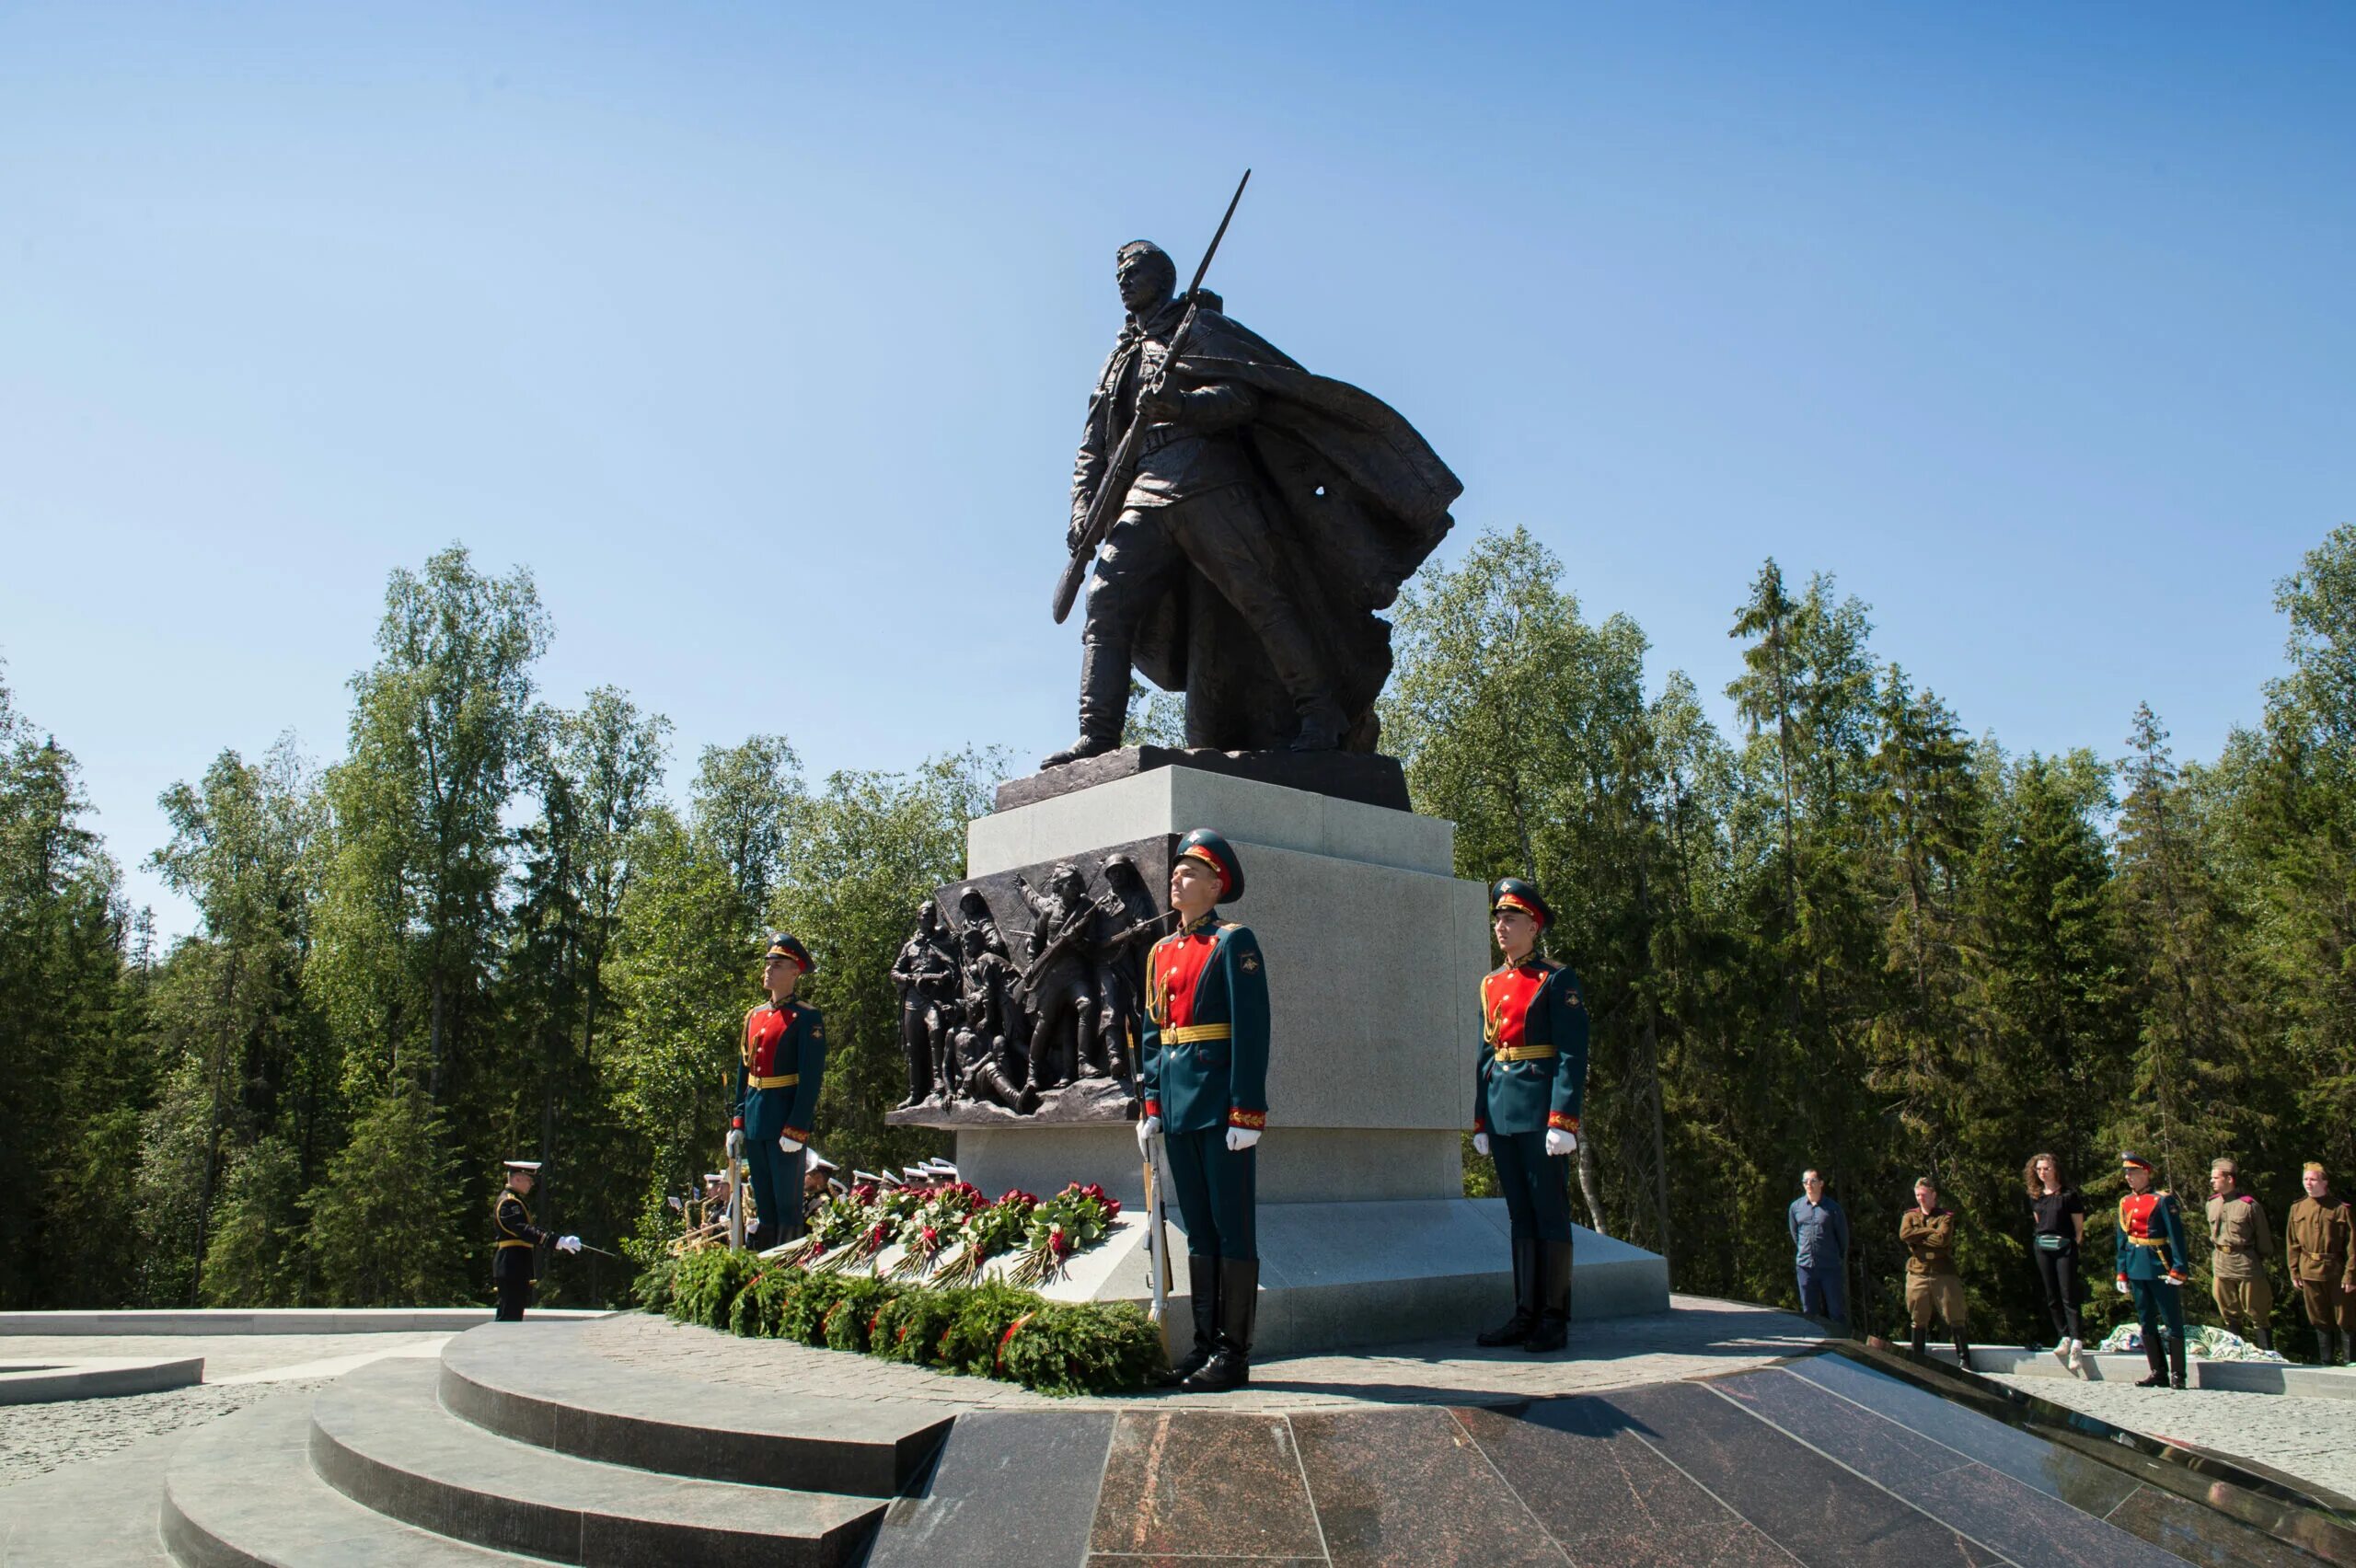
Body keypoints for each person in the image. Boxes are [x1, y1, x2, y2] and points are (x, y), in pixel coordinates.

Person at [1041, 237, 1458, 764]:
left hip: (1209, 480)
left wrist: (1181, 404)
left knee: (1261, 598)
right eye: (1119, 271)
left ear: (1164, 279)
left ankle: (1320, 713)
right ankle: (1097, 734)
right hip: (1142, 489)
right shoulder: (1117, 359)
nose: (1123, 277)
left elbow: (1242, 398)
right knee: (1105, 601)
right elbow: (1093, 445)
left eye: (1135, 268)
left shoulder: (1198, 330)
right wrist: (1082, 510)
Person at [1136, 828, 1269, 1392]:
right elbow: (1152, 1034)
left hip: (1219, 1108)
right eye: (1176, 871)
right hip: (1179, 1109)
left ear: (1216, 886)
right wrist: (1151, 1104)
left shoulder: (1233, 943)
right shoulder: (1162, 952)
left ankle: (1233, 1354)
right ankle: (1203, 1344)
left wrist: (1246, 1112)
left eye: (1189, 872)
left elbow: (1252, 1030)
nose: (1176, 878)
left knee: (1231, 1229)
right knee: (1197, 1234)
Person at [1470, 877, 1588, 1355]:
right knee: (1520, 1217)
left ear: (1533, 926)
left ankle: (1554, 1317)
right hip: (1502, 1114)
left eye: (1511, 918)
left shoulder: (1556, 980)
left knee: (1549, 1215)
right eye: (1498, 918)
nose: (1501, 926)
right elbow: (1486, 1054)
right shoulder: (1492, 983)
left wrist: (1563, 1121)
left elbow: (1571, 1055)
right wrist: (1481, 1119)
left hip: (1540, 1115)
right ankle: (1525, 1312)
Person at [733, 933, 827, 1251]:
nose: (769, 969)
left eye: (778, 964)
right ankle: (765, 1266)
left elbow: (811, 1078)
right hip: (757, 1118)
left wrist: (797, 1127)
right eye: (768, 963)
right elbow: (744, 1073)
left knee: (787, 1206)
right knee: (764, 1204)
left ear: (795, 972)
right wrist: (737, 1122)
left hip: (785, 1122)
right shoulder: (755, 1016)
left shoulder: (805, 1017)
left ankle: (788, 1264)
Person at [2116, 1151, 2192, 1389]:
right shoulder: (2125, 1202)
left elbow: (2176, 1236)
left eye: (2133, 1172)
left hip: (2159, 1264)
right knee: (2145, 1320)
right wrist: (2122, 1271)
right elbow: (2123, 1239)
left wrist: (2179, 1268)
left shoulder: (2162, 1200)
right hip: (2136, 1265)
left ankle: (2178, 1373)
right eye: (2127, 1173)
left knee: (2171, 1320)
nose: (2129, 1177)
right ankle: (2157, 1370)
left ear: (2145, 1172)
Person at [2285, 1161, 2355, 1366]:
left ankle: (2351, 1362)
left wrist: (2351, 1274)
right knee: (2318, 1317)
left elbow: (2352, 1245)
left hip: (2336, 1270)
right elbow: (2292, 1244)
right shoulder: (2297, 1208)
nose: (2309, 1183)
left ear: (2325, 1182)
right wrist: (2294, 1272)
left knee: (2345, 1317)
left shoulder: (2340, 1209)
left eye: (2313, 1179)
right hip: (2309, 1269)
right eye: (2306, 1179)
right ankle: (2326, 1362)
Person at [491, 1160, 579, 1322]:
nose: (531, 1184)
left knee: (514, 1311)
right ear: (517, 1179)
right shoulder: (509, 1202)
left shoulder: (515, 1200)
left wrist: (557, 1240)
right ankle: (501, 1346)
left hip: (515, 1262)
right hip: (510, 1262)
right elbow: (523, 1230)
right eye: (529, 1180)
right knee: (509, 1314)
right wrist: (557, 1241)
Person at [2025, 1152, 2088, 1374]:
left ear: (2056, 1170)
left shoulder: (2069, 1195)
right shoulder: (2035, 1195)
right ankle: (2064, 1336)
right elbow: (2039, 1222)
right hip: (2043, 1246)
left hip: (2065, 1247)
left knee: (2068, 1294)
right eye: (2039, 1169)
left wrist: (2073, 1244)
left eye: (2046, 1168)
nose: (2042, 1173)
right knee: (2051, 1295)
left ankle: (2077, 1341)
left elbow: (2078, 1227)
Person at [1900, 1177, 1969, 1370]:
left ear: (1933, 1195)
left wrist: (1918, 1237)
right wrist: (1930, 1232)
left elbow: (1942, 1241)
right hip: (1918, 1271)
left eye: (1924, 1195)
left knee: (1955, 1314)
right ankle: (1918, 1358)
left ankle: (1964, 1359)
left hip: (1943, 1271)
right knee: (1918, 1316)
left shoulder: (1945, 1216)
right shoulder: (1909, 1216)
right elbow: (1905, 1235)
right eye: (1918, 1195)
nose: (1920, 1199)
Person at [2206, 1158, 2275, 1352]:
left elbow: (2263, 1237)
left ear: (2229, 1179)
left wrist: (2260, 1258)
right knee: (2228, 1311)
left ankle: (2267, 1352)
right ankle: (2234, 1351)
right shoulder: (2212, 1204)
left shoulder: (2248, 1205)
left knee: (2257, 1311)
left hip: (2245, 1262)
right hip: (2221, 1262)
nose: (2212, 1181)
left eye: (2216, 1178)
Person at [1787, 1170, 1850, 1331]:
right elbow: (1796, 1235)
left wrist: (1835, 1257)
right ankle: (1814, 1347)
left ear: (1821, 1183)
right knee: (1809, 1312)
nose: (1809, 1184)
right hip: (1805, 1267)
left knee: (1836, 1311)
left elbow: (1842, 1238)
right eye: (1805, 1181)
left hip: (1829, 1267)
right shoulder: (1796, 1208)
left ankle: (1841, 1346)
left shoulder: (1833, 1209)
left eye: (1813, 1180)